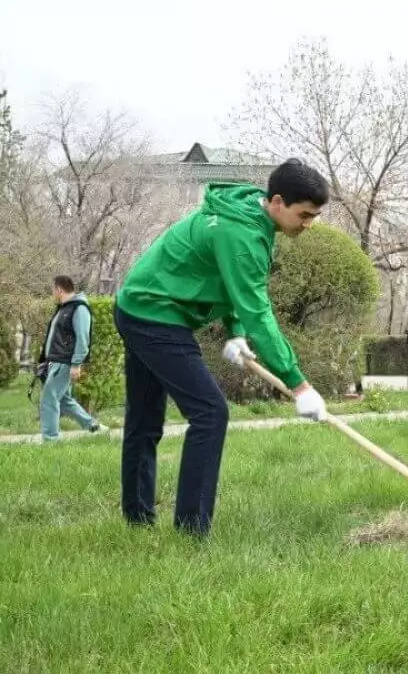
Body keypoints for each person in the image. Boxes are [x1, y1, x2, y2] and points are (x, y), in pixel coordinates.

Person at [114, 159, 330, 536]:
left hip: (141, 305)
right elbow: (258, 310)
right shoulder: (242, 233)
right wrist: (299, 384)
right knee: (210, 413)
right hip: (154, 314)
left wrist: (234, 332)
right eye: (305, 215)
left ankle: (137, 522)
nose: (309, 224)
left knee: (145, 422)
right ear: (278, 201)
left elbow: (228, 281)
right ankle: (191, 531)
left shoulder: (249, 215)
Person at [37, 275, 105, 440]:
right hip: (57, 362)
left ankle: (51, 440)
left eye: (53, 290)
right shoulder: (64, 308)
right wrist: (45, 360)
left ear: (59, 289)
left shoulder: (79, 308)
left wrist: (76, 364)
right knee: (65, 401)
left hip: (65, 362)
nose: (52, 293)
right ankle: (94, 426)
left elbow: (83, 339)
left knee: (49, 399)